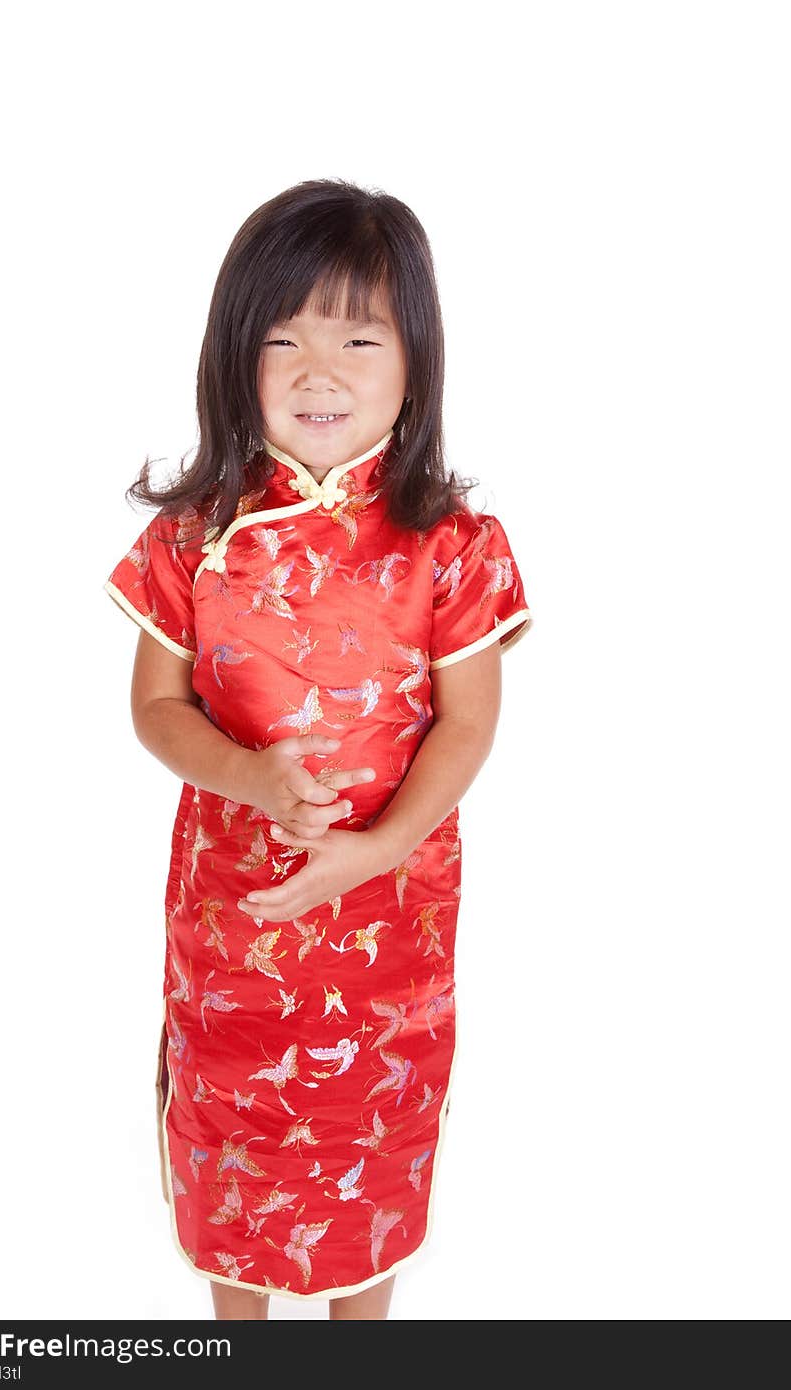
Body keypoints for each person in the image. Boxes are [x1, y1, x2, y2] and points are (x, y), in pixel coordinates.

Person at [103, 177, 533, 1320]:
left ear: (415, 360)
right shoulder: (191, 536)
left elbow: (470, 720)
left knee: (369, 1154)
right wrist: (244, 773)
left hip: (389, 924)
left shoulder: (451, 543)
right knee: (230, 1147)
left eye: (357, 336)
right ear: (234, 357)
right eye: (281, 339)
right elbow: (156, 708)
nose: (317, 370)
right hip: (233, 920)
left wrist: (377, 847)